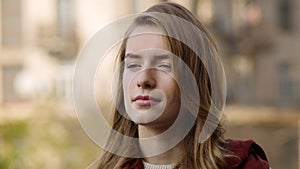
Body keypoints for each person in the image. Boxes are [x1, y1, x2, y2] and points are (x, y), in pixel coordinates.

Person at [96, 2, 270, 169]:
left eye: (164, 66)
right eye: (133, 65)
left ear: (194, 80)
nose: (143, 79)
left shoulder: (245, 165)